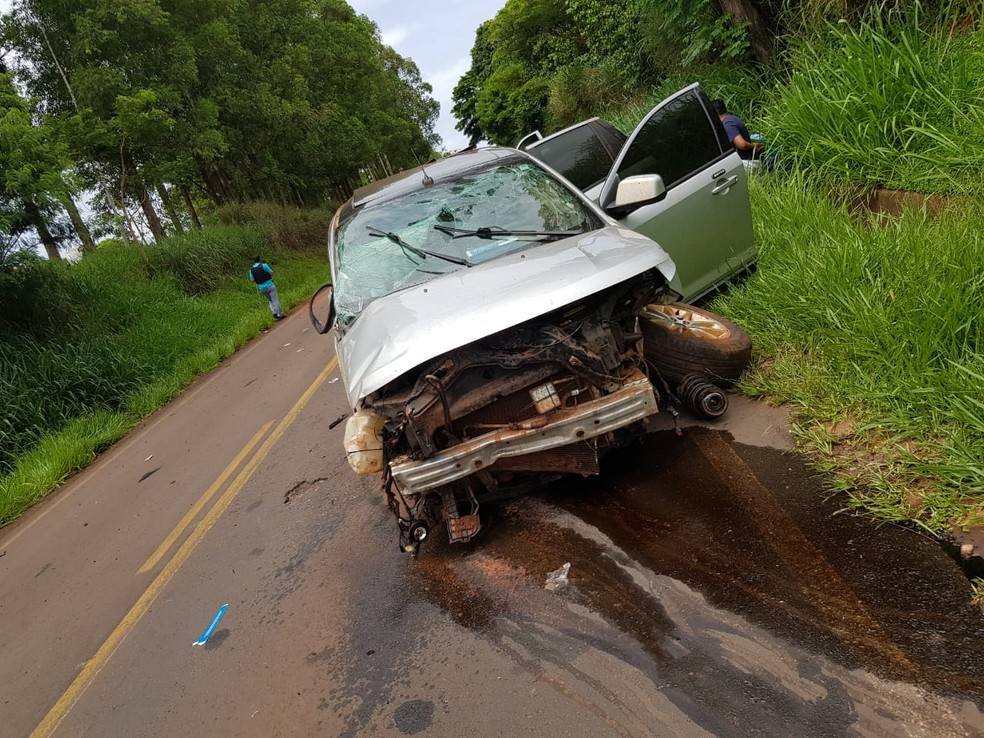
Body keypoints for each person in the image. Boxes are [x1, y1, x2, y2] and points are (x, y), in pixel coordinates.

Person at [711, 99, 764, 169]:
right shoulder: (732, 118)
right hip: (751, 159)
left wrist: (755, 146)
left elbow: (742, 144)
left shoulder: (727, 124)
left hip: (748, 161)